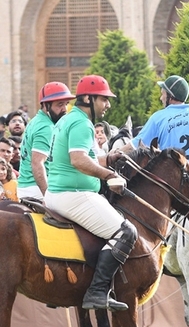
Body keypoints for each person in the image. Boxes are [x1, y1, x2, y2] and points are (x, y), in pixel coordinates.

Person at [43, 75, 136, 310]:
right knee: (126, 233)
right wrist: (109, 175)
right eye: (104, 99)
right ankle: (97, 292)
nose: (108, 105)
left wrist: (111, 158)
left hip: (59, 193)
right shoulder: (82, 123)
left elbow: (88, 158)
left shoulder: (68, 119)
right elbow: (78, 160)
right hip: (72, 194)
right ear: (87, 98)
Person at [125, 75, 189, 184]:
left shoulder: (158, 117)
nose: (161, 98)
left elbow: (135, 145)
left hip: (169, 183)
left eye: (163, 94)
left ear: (170, 96)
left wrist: (115, 153)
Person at [17, 81, 75, 200]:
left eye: (66, 104)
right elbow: (37, 164)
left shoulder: (36, 121)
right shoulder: (46, 127)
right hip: (38, 188)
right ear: (46, 105)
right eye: (59, 104)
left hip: (27, 186)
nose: (64, 109)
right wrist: (48, 197)